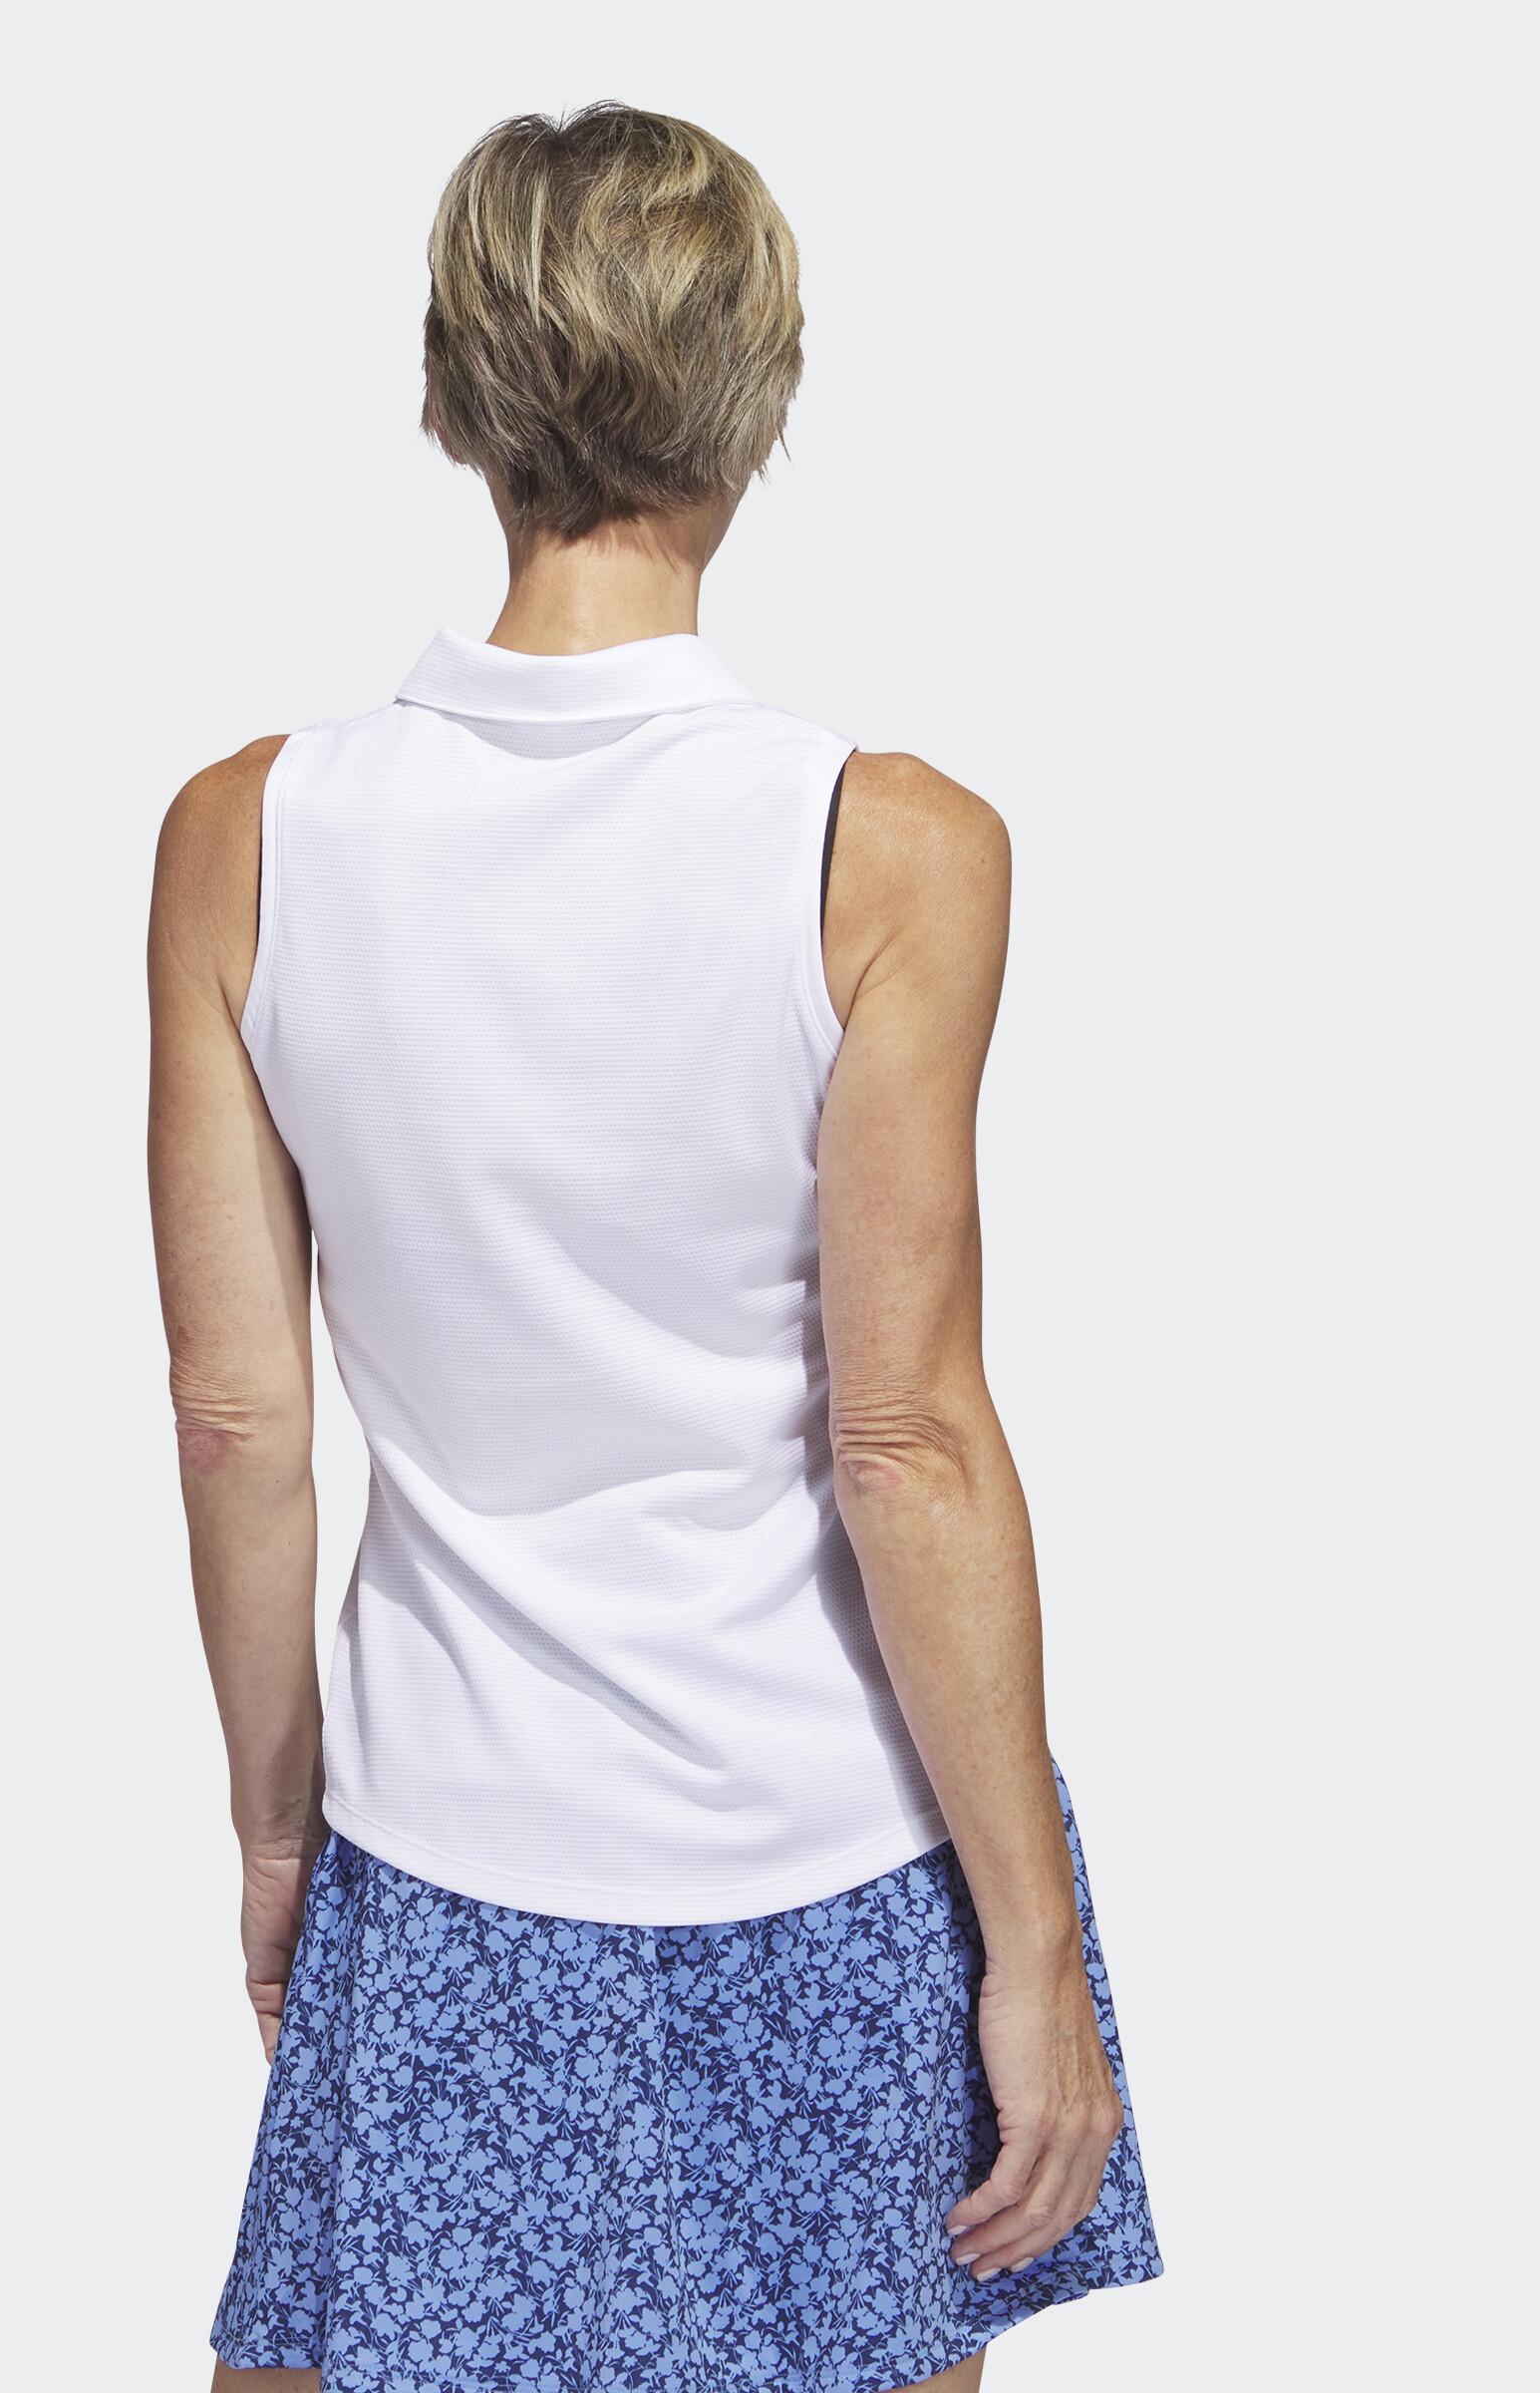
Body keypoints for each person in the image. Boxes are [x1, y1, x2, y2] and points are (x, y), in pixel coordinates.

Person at [147, 102, 1161, 2393]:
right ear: (758, 405)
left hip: (445, 1845)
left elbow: (237, 1417)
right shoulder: (890, 850)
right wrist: (1031, 1942)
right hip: (835, 1848)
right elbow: (906, 1439)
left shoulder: (247, 839)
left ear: (447, 398)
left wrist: (277, 1830)